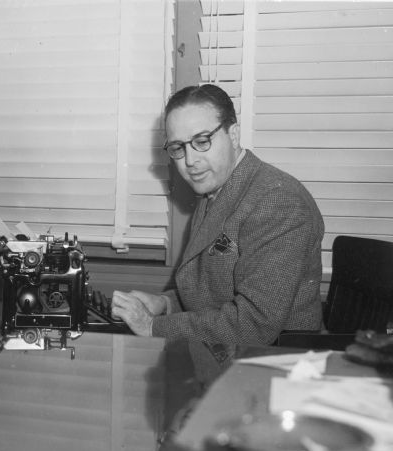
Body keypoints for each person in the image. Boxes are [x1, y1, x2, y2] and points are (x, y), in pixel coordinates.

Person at [111, 84, 325, 350]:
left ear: (233, 135)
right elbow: (211, 292)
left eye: (202, 142)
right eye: (178, 147)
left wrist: (152, 327)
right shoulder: (215, 189)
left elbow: (254, 324)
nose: (190, 160)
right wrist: (165, 304)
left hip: (273, 362)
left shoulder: (278, 202)